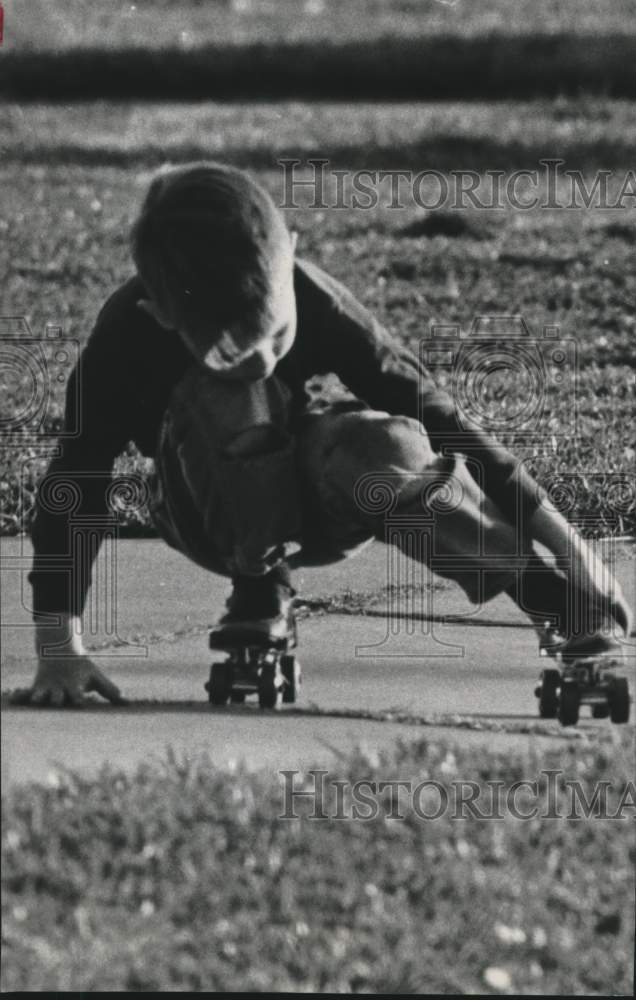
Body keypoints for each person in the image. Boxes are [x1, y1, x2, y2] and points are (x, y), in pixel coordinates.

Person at [18, 162, 631, 707]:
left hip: (327, 494)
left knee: (387, 445)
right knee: (227, 397)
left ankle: (548, 596)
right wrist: (58, 648)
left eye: (277, 334)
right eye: (229, 350)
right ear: (162, 315)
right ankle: (260, 591)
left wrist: (565, 540)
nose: (259, 358)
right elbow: (75, 482)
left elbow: (436, 413)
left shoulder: (313, 295)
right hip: (202, 511)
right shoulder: (125, 337)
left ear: (291, 252)